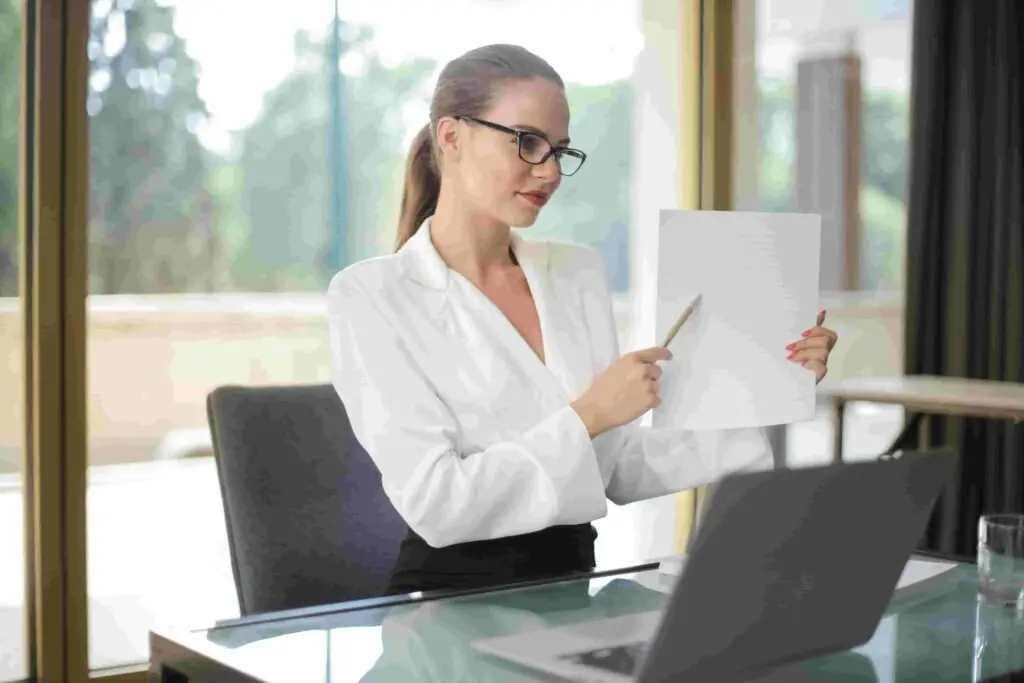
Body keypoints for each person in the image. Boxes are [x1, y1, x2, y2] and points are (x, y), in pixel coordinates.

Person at [327, 44, 838, 596]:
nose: (549, 171)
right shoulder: (371, 295)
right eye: (527, 142)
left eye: (559, 150)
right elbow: (438, 504)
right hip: (449, 606)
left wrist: (768, 388)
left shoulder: (575, 272)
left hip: (573, 587)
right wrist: (589, 413)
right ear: (451, 137)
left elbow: (615, 468)